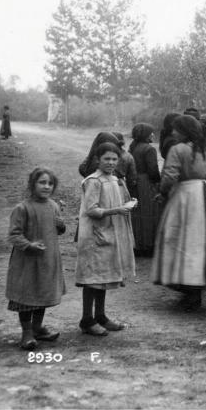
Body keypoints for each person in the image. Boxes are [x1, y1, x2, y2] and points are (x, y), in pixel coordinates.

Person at [152, 115, 206, 311]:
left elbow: (170, 175)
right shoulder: (202, 149)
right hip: (204, 194)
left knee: (180, 241)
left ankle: (188, 291)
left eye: (176, 130)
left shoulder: (178, 149)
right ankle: (195, 291)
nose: (173, 133)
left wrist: (163, 192)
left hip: (185, 197)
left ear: (183, 131)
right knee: (197, 244)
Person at [75, 142, 136, 336]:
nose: (110, 162)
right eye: (106, 159)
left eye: (114, 159)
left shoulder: (115, 179)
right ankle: (86, 319)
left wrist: (129, 203)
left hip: (110, 232)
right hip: (95, 236)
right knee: (92, 279)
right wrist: (117, 210)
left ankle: (100, 315)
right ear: (97, 159)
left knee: (103, 276)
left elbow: (120, 199)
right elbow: (92, 210)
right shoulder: (94, 181)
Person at [5, 167, 67, 350]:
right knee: (26, 297)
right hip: (27, 262)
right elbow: (14, 235)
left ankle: (38, 327)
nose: (46, 186)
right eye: (42, 182)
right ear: (32, 184)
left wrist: (61, 225)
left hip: (47, 259)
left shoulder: (54, 206)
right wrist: (29, 245)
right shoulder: (22, 208)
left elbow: (58, 230)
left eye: (50, 183)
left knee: (42, 293)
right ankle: (27, 333)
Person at [129, 123, 161, 256]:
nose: (153, 135)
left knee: (137, 214)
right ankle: (148, 245)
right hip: (146, 183)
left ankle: (138, 244)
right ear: (146, 135)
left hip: (135, 182)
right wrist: (158, 183)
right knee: (149, 213)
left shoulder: (133, 147)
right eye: (151, 133)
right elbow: (153, 170)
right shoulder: (149, 149)